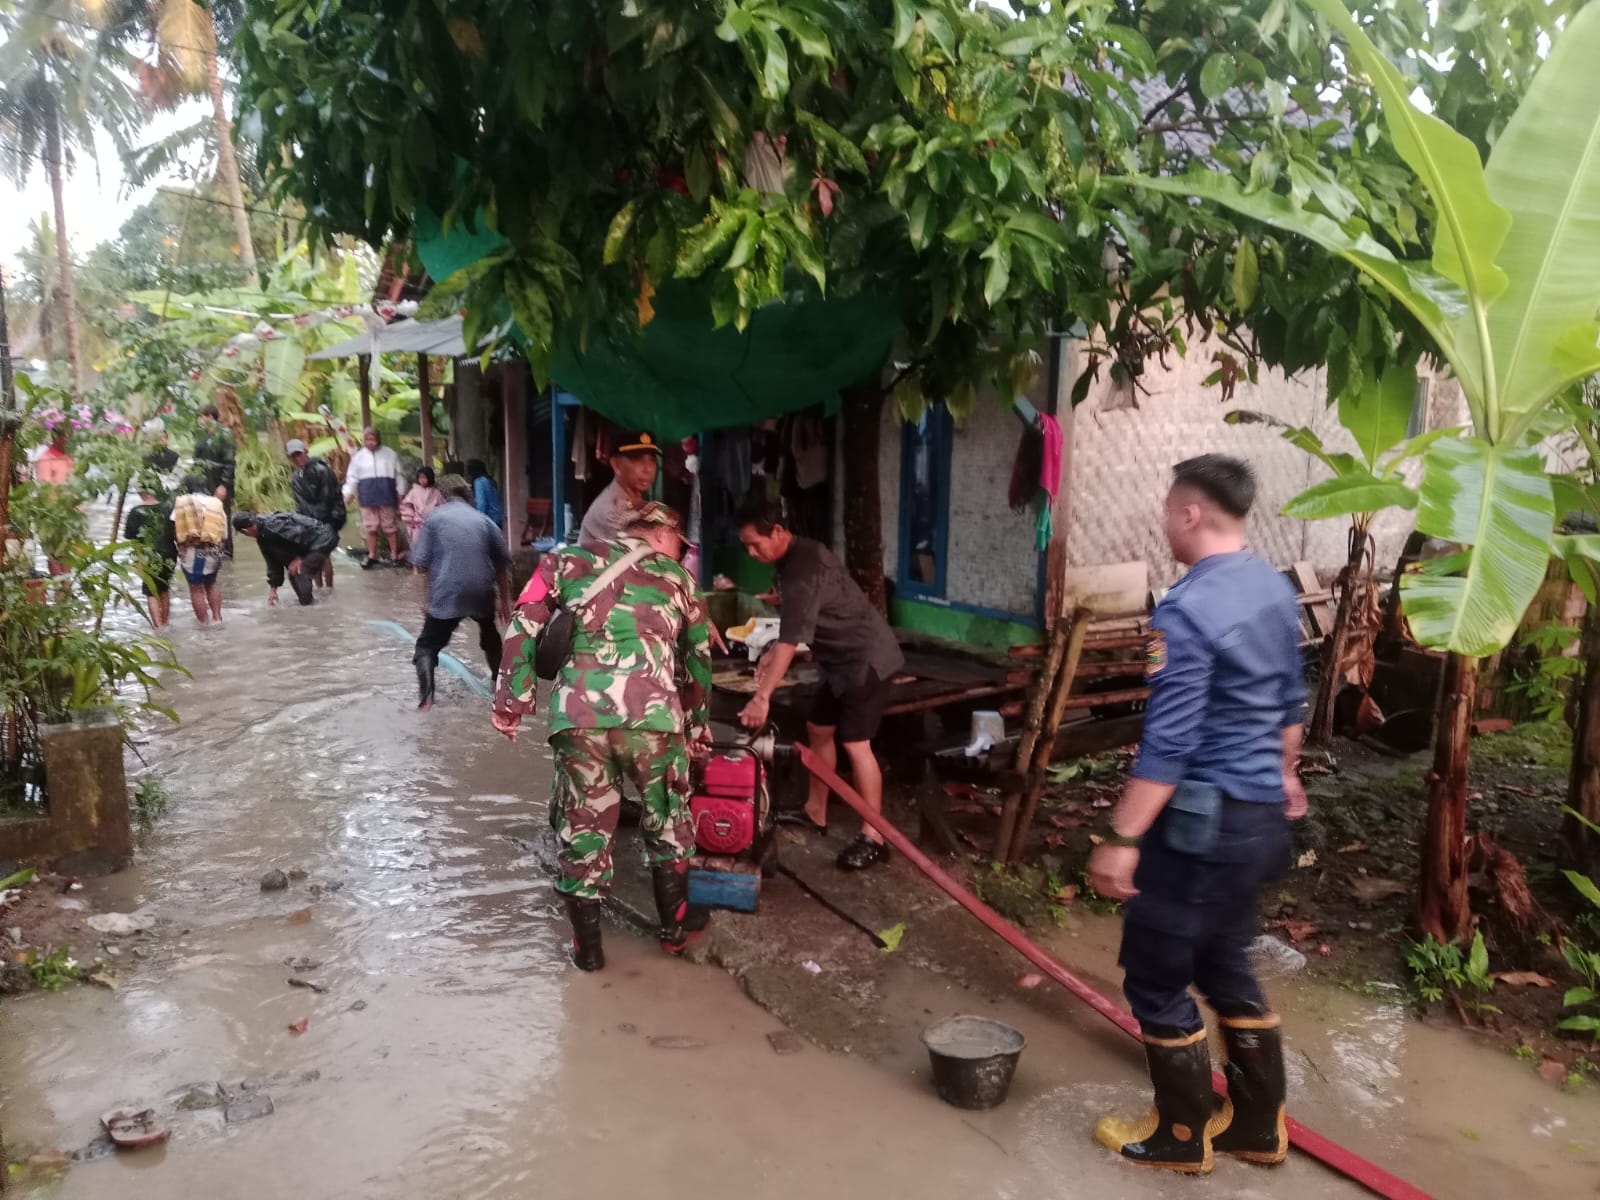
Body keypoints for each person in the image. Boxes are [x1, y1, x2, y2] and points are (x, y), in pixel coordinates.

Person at [1088, 455, 1307, 1176]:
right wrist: (1285, 777)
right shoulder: (1272, 588)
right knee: (1222, 959)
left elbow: (1170, 742)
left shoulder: (1186, 609)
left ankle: (1181, 1136)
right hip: (1260, 818)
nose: (1164, 523)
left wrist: (1122, 837)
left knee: (1155, 973)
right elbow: (1290, 708)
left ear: (1189, 512)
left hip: (1199, 827)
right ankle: (1257, 1127)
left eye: (1166, 510)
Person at [492, 502, 712, 971]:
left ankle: (587, 953)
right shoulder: (680, 580)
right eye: (680, 544)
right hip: (654, 722)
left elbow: (524, 621)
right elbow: (698, 661)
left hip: (579, 719)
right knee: (668, 820)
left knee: (584, 829)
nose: (680, 552)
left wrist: (512, 702)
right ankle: (674, 930)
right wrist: (695, 727)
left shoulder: (565, 559)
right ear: (662, 533)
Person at [735, 497, 905, 871]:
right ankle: (815, 810)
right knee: (818, 728)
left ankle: (874, 836)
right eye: (745, 546)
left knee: (856, 743)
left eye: (755, 544)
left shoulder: (802, 569)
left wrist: (762, 697)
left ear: (777, 531)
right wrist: (773, 648)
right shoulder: (796, 555)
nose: (751, 553)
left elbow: (788, 641)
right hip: (838, 662)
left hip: (867, 658)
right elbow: (804, 616)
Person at [410, 474, 512, 710]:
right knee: (490, 636)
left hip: (447, 591)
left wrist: (427, 601)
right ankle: (501, 686)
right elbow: (502, 565)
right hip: (481, 591)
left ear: (444, 497)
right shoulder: (484, 520)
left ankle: (427, 700)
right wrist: (504, 601)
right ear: (469, 498)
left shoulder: (434, 518)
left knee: (426, 647)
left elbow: (421, 565)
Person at [231, 510, 339, 607]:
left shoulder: (274, 525)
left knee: (300, 571)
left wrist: (300, 558)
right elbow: (273, 563)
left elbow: (302, 535)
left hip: (323, 539)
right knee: (292, 571)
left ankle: (311, 608)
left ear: (245, 531)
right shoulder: (261, 537)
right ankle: (309, 605)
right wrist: (273, 589)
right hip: (311, 543)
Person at [578, 430, 660, 543]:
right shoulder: (610, 509)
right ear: (616, 465)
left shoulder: (632, 494)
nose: (648, 469)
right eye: (637, 459)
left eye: (652, 460)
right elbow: (650, 544)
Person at [287, 438, 346, 591]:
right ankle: (320, 588)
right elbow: (299, 504)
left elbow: (328, 499)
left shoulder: (322, 470)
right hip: (309, 520)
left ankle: (329, 588)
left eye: (299, 454)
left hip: (328, 519)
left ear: (305, 452)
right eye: (294, 456)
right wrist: (301, 523)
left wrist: (322, 522)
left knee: (324, 555)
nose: (297, 458)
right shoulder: (297, 477)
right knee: (313, 555)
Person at [342, 426, 403, 567]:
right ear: (364, 441)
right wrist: (347, 495)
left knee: (390, 526)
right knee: (370, 527)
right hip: (367, 496)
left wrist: (401, 492)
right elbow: (352, 478)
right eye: (367, 440)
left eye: (373, 439)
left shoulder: (390, 454)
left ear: (378, 439)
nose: (370, 442)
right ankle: (372, 555)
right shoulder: (358, 457)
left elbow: (399, 475)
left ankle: (394, 555)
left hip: (386, 495)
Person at [172, 474, 228, 624]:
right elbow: (224, 533)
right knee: (212, 583)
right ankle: (217, 619)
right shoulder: (216, 504)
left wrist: (180, 547)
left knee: (196, 588)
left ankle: (204, 625)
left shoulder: (183, 502)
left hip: (194, 550)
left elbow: (176, 527)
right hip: (215, 550)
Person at [124, 487, 178, 627]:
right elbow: (176, 532)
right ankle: (165, 623)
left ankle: (158, 627)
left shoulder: (136, 512)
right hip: (169, 553)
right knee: (164, 588)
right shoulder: (168, 508)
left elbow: (131, 538)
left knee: (151, 591)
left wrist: (137, 559)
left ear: (141, 493)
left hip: (147, 555)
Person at [193, 403, 236, 555]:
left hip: (219, 481)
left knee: (222, 516)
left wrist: (224, 484)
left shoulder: (224, 435)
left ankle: (226, 551)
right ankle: (210, 549)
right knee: (205, 517)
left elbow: (230, 463)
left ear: (210, 417)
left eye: (201, 416)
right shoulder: (201, 436)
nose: (199, 420)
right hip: (204, 482)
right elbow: (196, 460)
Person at [400, 465, 445, 544]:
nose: (422, 480)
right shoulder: (414, 491)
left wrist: (438, 518)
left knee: (432, 543)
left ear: (430, 478)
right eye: (420, 478)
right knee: (418, 543)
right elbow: (406, 506)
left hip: (432, 523)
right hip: (417, 523)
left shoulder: (436, 493)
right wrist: (411, 518)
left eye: (424, 477)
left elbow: (443, 507)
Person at [466, 459, 504, 528]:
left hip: (489, 520)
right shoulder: (489, 480)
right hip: (498, 518)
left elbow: (481, 505)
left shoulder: (479, 482)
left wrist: (477, 522)